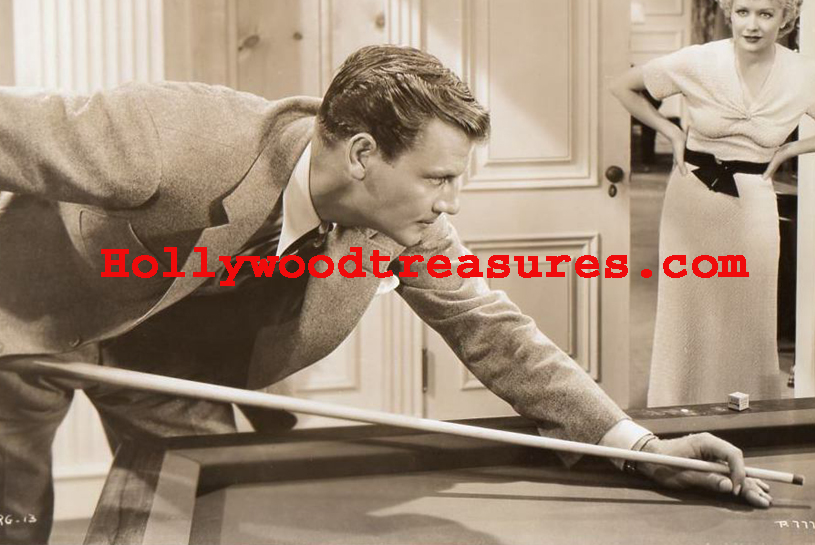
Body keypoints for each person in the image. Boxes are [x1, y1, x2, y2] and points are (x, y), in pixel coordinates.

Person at [1, 45, 771, 544]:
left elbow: (495, 330)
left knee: (185, 522)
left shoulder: (405, 225)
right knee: (15, 517)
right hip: (29, 320)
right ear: (364, 154)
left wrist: (637, 447)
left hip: (170, 364)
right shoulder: (177, 137)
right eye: (440, 178)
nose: (451, 204)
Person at [611, 0, 815, 408]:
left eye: (766, 13)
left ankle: (747, 415)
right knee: (687, 312)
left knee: (749, 314)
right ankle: (675, 408)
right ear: (730, 13)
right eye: (743, 11)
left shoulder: (803, 73)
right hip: (692, 200)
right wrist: (671, 134)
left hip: (754, 203)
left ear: (785, 19)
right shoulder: (700, 60)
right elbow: (623, 86)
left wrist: (791, 150)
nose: (752, 24)